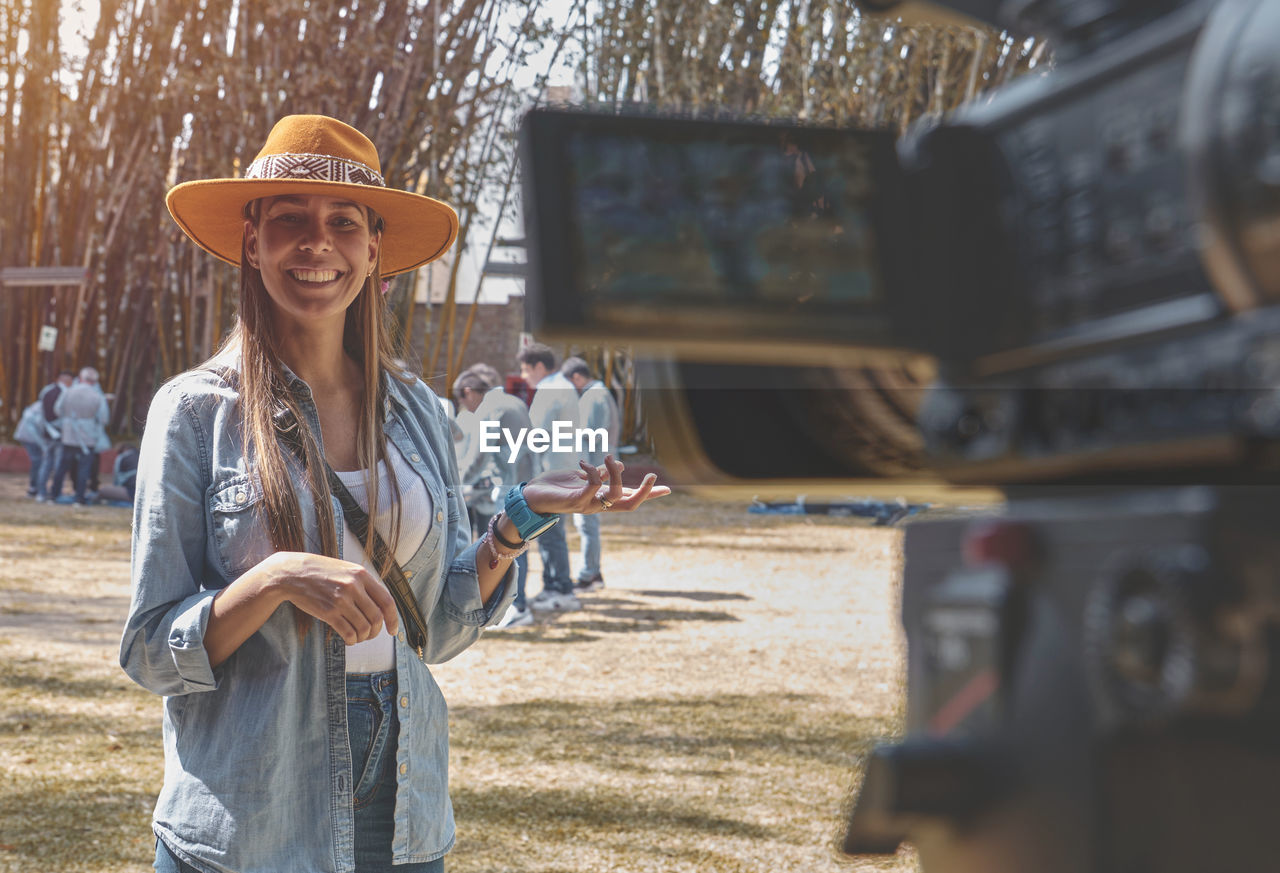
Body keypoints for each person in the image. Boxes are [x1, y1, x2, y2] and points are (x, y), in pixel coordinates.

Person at [119, 114, 667, 873]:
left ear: (373, 249)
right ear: (253, 242)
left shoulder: (415, 410)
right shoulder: (194, 411)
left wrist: (521, 517)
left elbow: (436, 627)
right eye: (289, 220)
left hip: (405, 798)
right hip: (253, 809)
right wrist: (275, 579)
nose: (317, 242)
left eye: (343, 221)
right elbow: (150, 649)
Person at [455, 364, 537, 628]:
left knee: (508, 548)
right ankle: (518, 604)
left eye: (465, 403)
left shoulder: (491, 408)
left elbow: (480, 454)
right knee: (517, 544)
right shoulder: (514, 401)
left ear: (468, 392)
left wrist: (457, 483)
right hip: (522, 484)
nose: (469, 410)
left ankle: (516, 605)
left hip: (506, 490)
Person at [517, 343, 582, 612]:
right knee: (553, 534)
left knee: (550, 535)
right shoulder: (564, 386)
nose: (523, 376)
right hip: (564, 470)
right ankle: (556, 586)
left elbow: (535, 435)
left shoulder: (550, 390)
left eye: (525, 369)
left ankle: (560, 589)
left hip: (553, 474)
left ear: (539, 367)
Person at [561, 357, 622, 593]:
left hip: (596, 470)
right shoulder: (599, 393)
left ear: (577, 378)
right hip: (600, 469)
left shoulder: (593, 396)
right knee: (587, 522)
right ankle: (591, 572)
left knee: (587, 522)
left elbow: (590, 434)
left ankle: (590, 575)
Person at [50, 366, 110, 505]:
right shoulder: (97, 396)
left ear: (80, 378)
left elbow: (57, 410)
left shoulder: (68, 392)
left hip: (68, 435)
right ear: (95, 381)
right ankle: (79, 498)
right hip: (88, 438)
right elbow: (103, 418)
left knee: (62, 467)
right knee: (84, 468)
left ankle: (53, 496)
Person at [34, 369, 74, 500]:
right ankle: (56, 493)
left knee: (46, 463)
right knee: (58, 465)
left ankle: (41, 493)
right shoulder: (65, 393)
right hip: (59, 434)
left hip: (46, 433)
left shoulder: (46, 391)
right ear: (66, 380)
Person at [14, 399, 51, 498]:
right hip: (29, 437)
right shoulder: (41, 407)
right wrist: (43, 444)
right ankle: (34, 488)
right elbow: (35, 428)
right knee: (37, 461)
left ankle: (35, 487)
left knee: (38, 461)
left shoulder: (40, 405)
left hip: (28, 436)